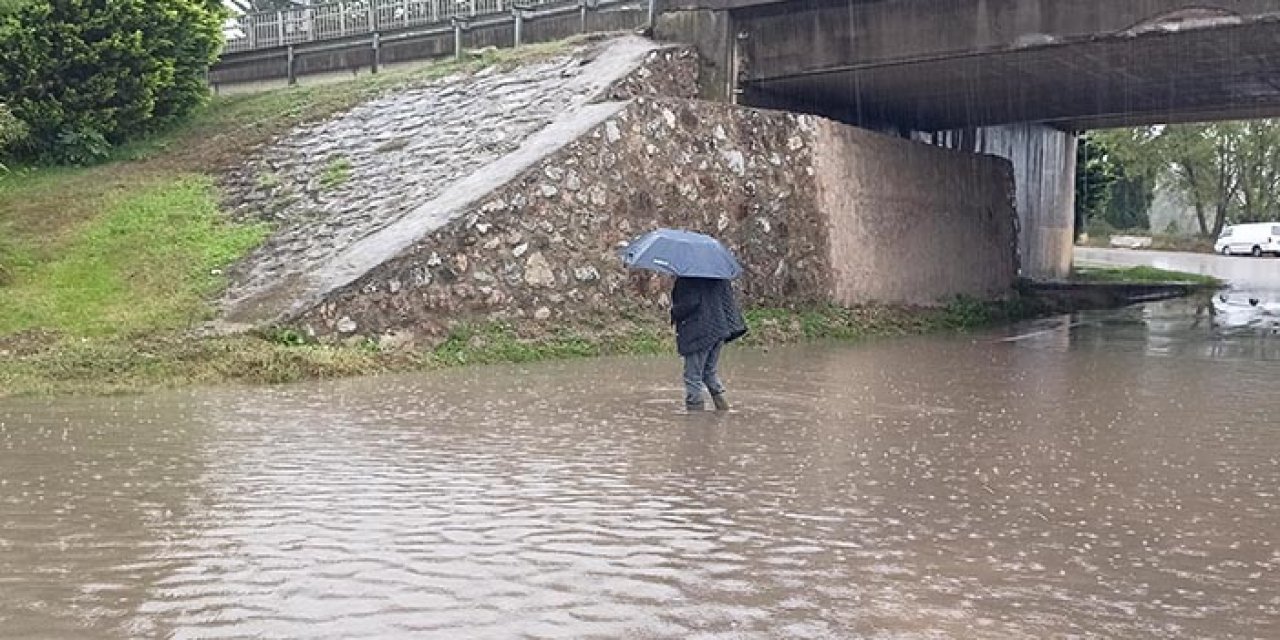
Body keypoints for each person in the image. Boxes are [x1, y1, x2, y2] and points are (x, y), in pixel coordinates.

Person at [670, 277, 748, 411]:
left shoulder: (688, 278)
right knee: (709, 372)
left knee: (692, 377)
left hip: (697, 333)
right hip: (720, 330)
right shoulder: (720, 276)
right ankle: (723, 408)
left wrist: (674, 312)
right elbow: (727, 300)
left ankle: (695, 417)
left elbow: (689, 303)